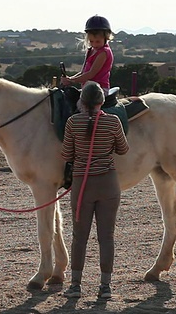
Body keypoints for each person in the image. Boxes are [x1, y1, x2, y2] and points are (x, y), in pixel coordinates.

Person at [61, 81, 129, 299]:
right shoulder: (113, 121)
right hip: (108, 183)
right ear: (102, 101)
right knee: (106, 237)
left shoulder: (73, 122)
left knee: (79, 237)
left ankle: (75, 285)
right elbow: (123, 149)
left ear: (82, 101)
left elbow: (66, 155)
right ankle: (105, 286)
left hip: (82, 184)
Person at [60, 15, 114, 96]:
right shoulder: (90, 51)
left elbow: (91, 74)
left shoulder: (104, 53)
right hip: (87, 88)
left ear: (106, 38)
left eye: (98, 41)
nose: (94, 44)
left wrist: (72, 80)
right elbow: (83, 72)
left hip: (99, 89)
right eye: (92, 41)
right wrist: (69, 78)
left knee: (81, 107)